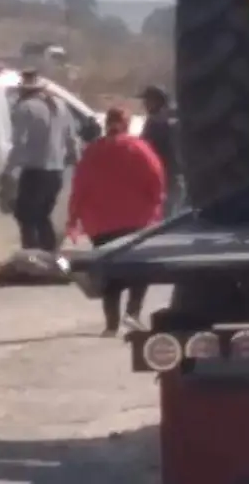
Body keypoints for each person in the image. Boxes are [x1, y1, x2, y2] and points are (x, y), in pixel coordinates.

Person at [67, 105, 166, 336]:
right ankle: (132, 314)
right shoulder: (139, 148)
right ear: (128, 123)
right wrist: (156, 205)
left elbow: (79, 187)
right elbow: (156, 179)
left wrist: (74, 218)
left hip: (101, 223)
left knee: (109, 272)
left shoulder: (93, 151)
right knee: (139, 270)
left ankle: (111, 325)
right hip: (137, 221)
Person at [1, 69, 75, 252]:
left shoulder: (25, 108)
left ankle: (32, 255)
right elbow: (72, 139)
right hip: (56, 172)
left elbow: (19, 144)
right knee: (42, 215)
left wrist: (8, 171)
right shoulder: (60, 105)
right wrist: (74, 160)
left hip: (35, 171)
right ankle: (49, 254)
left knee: (25, 216)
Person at [139, 84, 183, 214]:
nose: (144, 104)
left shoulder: (160, 122)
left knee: (166, 219)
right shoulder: (162, 119)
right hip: (168, 177)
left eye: (148, 100)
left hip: (168, 178)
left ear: (157, 101)